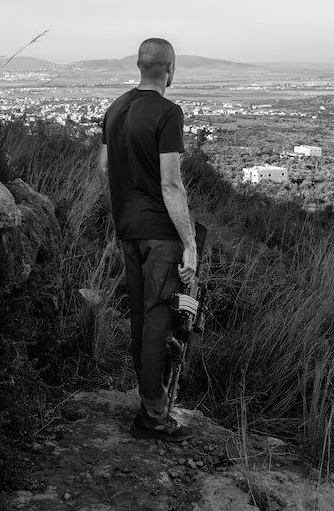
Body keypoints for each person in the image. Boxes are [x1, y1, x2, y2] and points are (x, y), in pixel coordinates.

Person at [98, 37, 199, 442]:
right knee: (159, 319)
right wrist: (189, 244)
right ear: (170, 69)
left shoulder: (115, 108)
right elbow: (171, 184)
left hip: (129, 230)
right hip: (160, 235)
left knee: (141, 317)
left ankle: (148, 402)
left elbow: (104, 169)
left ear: (140, 66)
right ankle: (153, 414)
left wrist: (123, 213)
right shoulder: (168, 113)